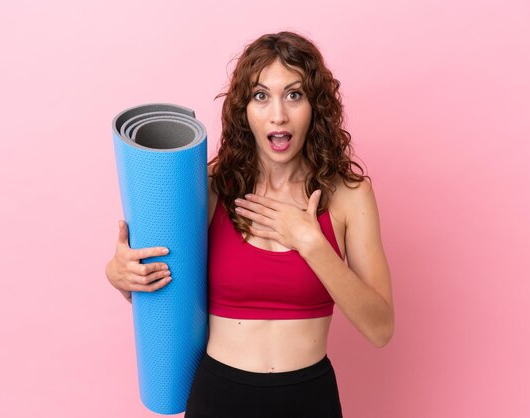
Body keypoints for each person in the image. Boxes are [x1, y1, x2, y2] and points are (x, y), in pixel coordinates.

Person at [105, 31, 394, 418]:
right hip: (219, 397)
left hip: (309, 399)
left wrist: (312, 244)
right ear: (244, 109)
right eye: (261, 96)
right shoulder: (207, 188)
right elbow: (160, 283)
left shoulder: (348, 195)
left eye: (294, 94)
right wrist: (120, 275)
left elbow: (380, 328)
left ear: (316, 105)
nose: (278, 114)